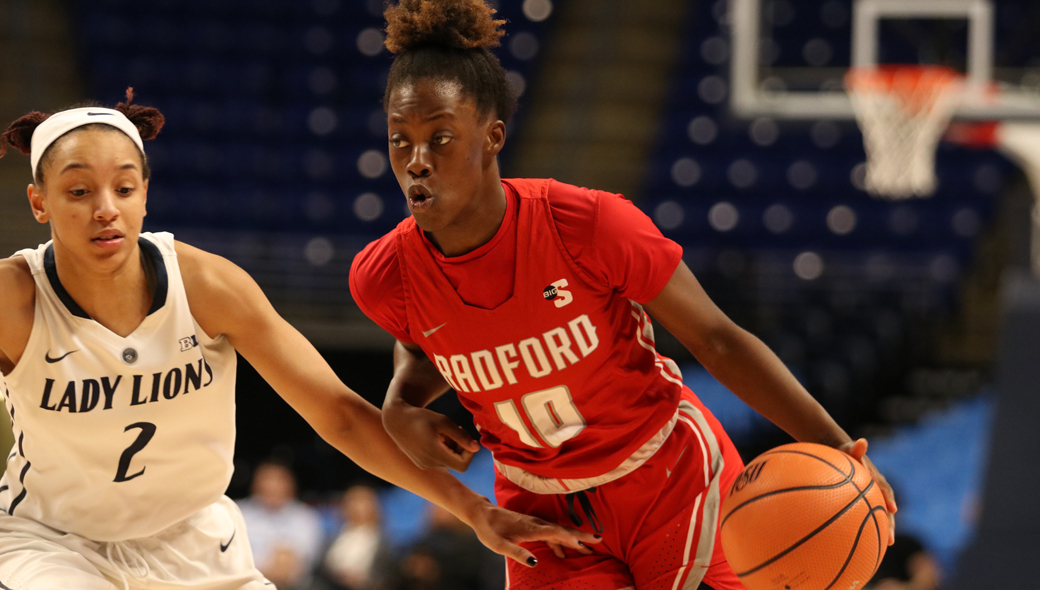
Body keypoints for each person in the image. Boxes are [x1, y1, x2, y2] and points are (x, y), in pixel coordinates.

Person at [348, 2, 899, 589]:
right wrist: (400, 406)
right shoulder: (383, 277)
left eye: (440, 137)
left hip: (664, 475)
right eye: (399, 141)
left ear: (493, 137)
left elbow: (717, 339)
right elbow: (423, 343)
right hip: (537, 505)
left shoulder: (586, 224)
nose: (417, 163)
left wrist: (839, 446)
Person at [0, 91, 598, 590]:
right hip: (55, 545)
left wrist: (471, 509)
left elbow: (338, 414)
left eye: (124, 189)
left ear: (145, 195)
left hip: (196, 546)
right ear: (39, 202)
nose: (107, 209)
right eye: (79, 192)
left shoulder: (207, 284)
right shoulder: (14, 298)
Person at [237, 460, 325, 589]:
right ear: (254, 483)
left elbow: (306, 560)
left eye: (280, 480)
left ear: (292, 484)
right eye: (267, 479)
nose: (273, 485)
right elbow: (230, 558)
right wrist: (264, 569)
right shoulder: (236, 513)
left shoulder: (307, 517)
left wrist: (282, 567)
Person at [319, 484, 394, 590]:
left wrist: (362, 580)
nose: (358, 506)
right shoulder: (334, 536)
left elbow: (387, 575)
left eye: (363, 500)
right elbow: (321, 567)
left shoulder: (385, 540)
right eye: (353, 500)